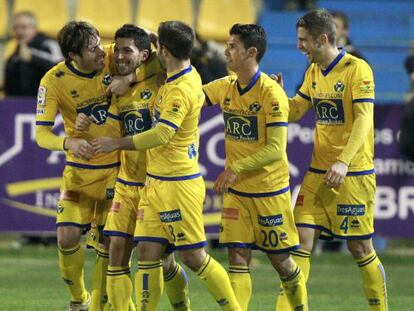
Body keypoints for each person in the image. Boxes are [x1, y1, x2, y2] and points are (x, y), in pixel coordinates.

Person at [91, 20, 241, 311]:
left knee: (193, 258)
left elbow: (162, 134)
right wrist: (155, 39)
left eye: (158, 46)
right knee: (147, 252)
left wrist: (116, 144)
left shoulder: (179, 89)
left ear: (164, 51)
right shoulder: (183, 73)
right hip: (154, 182)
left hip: (178, 184)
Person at [274, 9, 388, 311]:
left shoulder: (357, 69)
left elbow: (364, 119)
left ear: (322, 39)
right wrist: (274, 96)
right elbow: (295, 110)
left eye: (303, 40)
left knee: (360, 247)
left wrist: (344, 161)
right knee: (300, 243)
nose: (299, 46)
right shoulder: (313, 72)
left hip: (353, 174)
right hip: (317, 173)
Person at [75, 24, 191, 311]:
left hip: (157, 184)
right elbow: (113, 130)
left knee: (163, 262)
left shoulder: (163, 80)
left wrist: (139, 70)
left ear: (145, 55)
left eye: (128, 51)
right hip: (127, 184)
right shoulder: (117, 89)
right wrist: (88, 123)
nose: (120, 57)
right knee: (115, 250)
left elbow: (181, 56)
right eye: (118, 50)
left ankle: (181, 305)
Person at [202, 24, 307, 311]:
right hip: (238, 193)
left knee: (281, 262)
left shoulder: (271, 94)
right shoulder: (225, 86)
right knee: (237, 255)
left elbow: (275, 149)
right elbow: (190, 97)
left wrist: (236, 168)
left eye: (233, 45)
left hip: (268, 192)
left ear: (251, 52)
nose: (226, 50)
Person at [35, 21, 135, 311]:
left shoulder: (112, 60)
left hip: (116, 171)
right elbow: (41, 134)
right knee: (66, 238)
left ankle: (106, 306)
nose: (100, 51)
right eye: (92, 49)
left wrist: (132, 77)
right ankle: (79, 300)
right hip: (79, 173)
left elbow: (152, 63)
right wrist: (68, 142)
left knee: (109, 244)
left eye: (98, 43)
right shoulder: (53, 80)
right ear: (72, 56)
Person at [5, 11, 62, 96]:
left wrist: (32, 58)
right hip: (20, 105)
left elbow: (62, 69)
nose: (19, 32)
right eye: (15, 28)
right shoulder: (15, 53)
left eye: (23, 27)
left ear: (34, 28)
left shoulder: (48, 44)